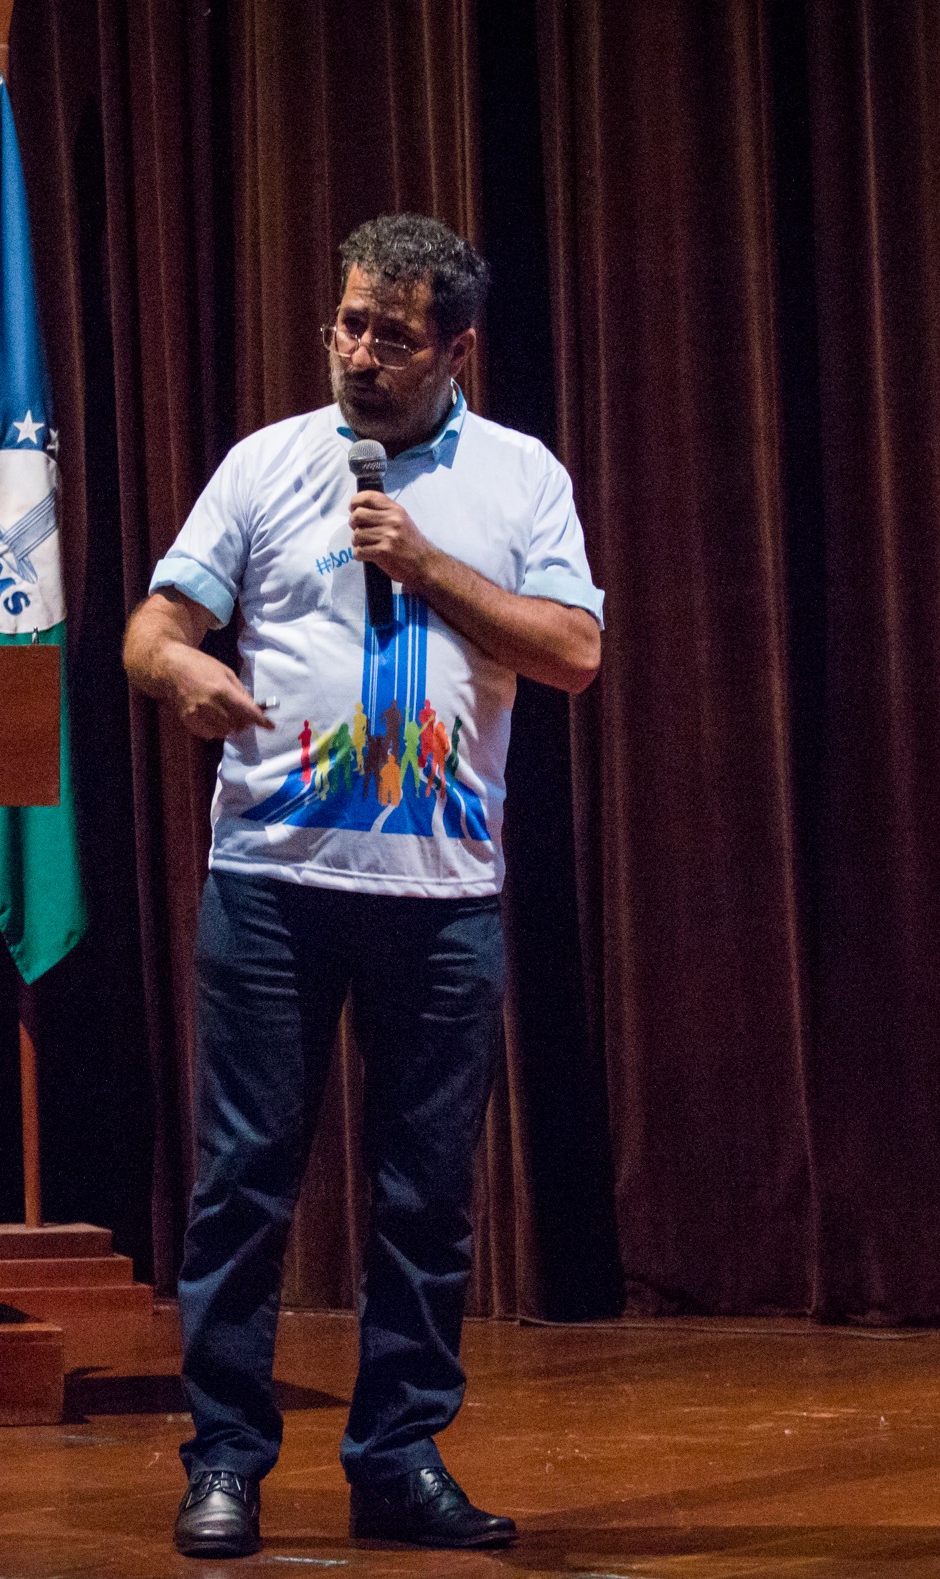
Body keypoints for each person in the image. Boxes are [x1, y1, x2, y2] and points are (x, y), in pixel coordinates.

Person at [122, 213, 604, 1557]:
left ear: (456, 349)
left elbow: (573, 652)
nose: (360, 353)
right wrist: (182, 670)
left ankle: (396, 1460)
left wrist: (426, 564)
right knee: (243, 1187)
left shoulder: (519, 477)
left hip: (442, 898)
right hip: (272, 883)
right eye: (349, 324)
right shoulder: (265, 464)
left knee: (423, 1197)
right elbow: (155, 626)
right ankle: (225, 1460)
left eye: (394, 335)